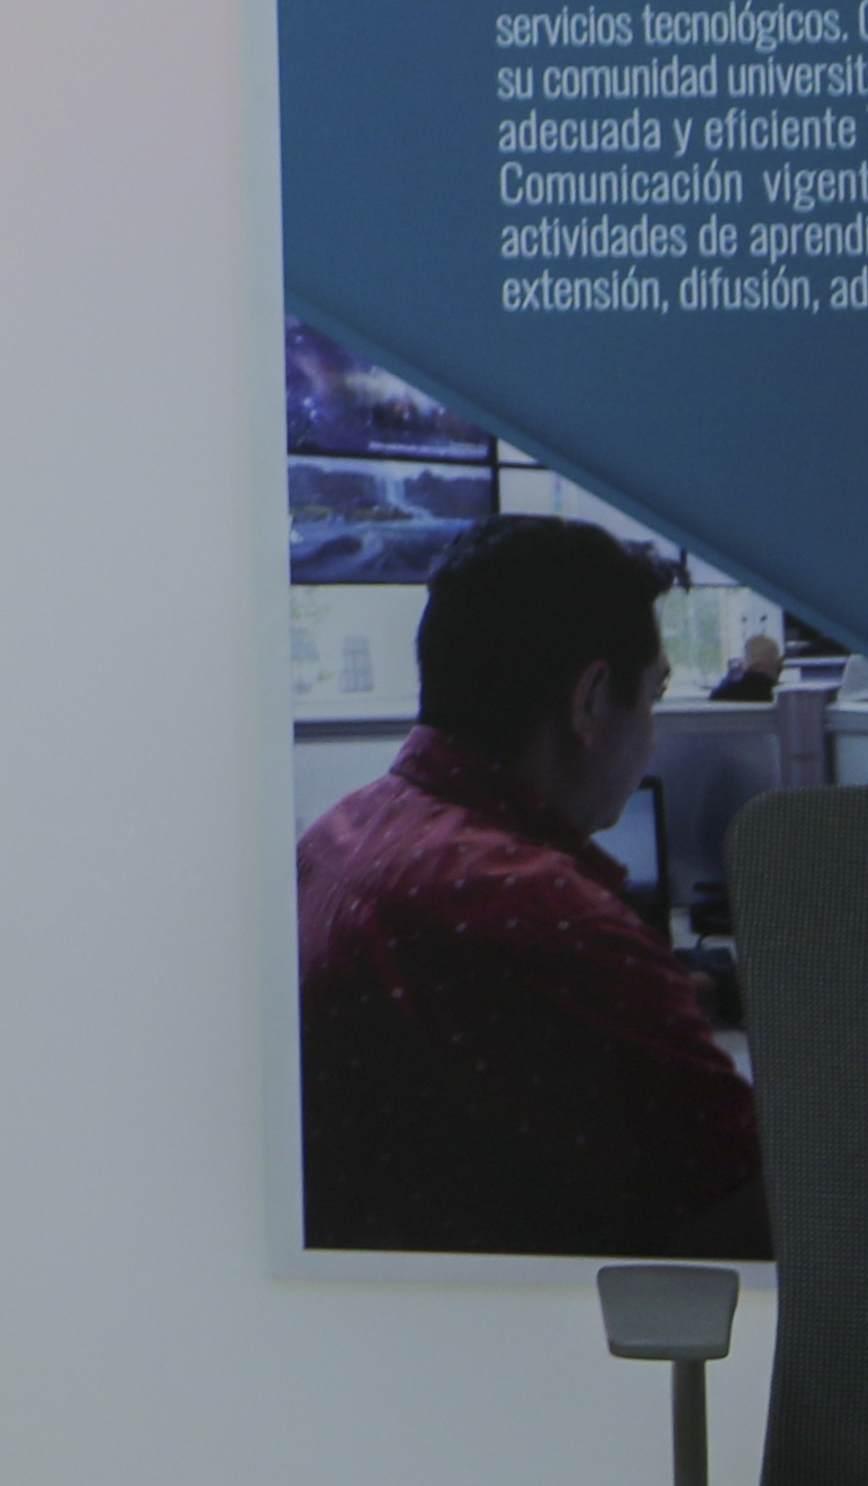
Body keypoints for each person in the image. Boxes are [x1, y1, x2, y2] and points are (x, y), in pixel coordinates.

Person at [297, 513, 765, 1259]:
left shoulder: (338, 836)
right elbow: (763, 1197)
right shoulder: (548, 918)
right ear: (589, 701)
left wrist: (684, 991)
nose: (651, 733)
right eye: (651, 697)